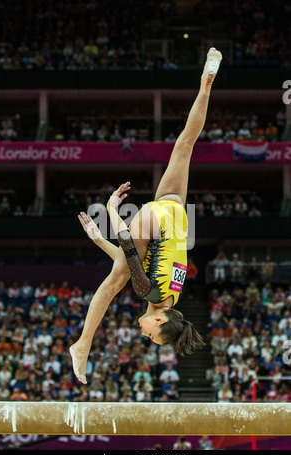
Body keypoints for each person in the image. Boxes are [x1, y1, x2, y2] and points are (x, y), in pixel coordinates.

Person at [70, 48, 223, 383]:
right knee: (112, 283)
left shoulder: (173, 293)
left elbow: (137, 259)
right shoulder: (150, 295)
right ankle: (82, 345)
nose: (145, 335)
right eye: (152, 336)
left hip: (175, 213)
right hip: (157, 222)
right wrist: (111, 211)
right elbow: (127, 246)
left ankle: (206, 82)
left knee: (186, 144)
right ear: (160, 320)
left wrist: (99, 240)